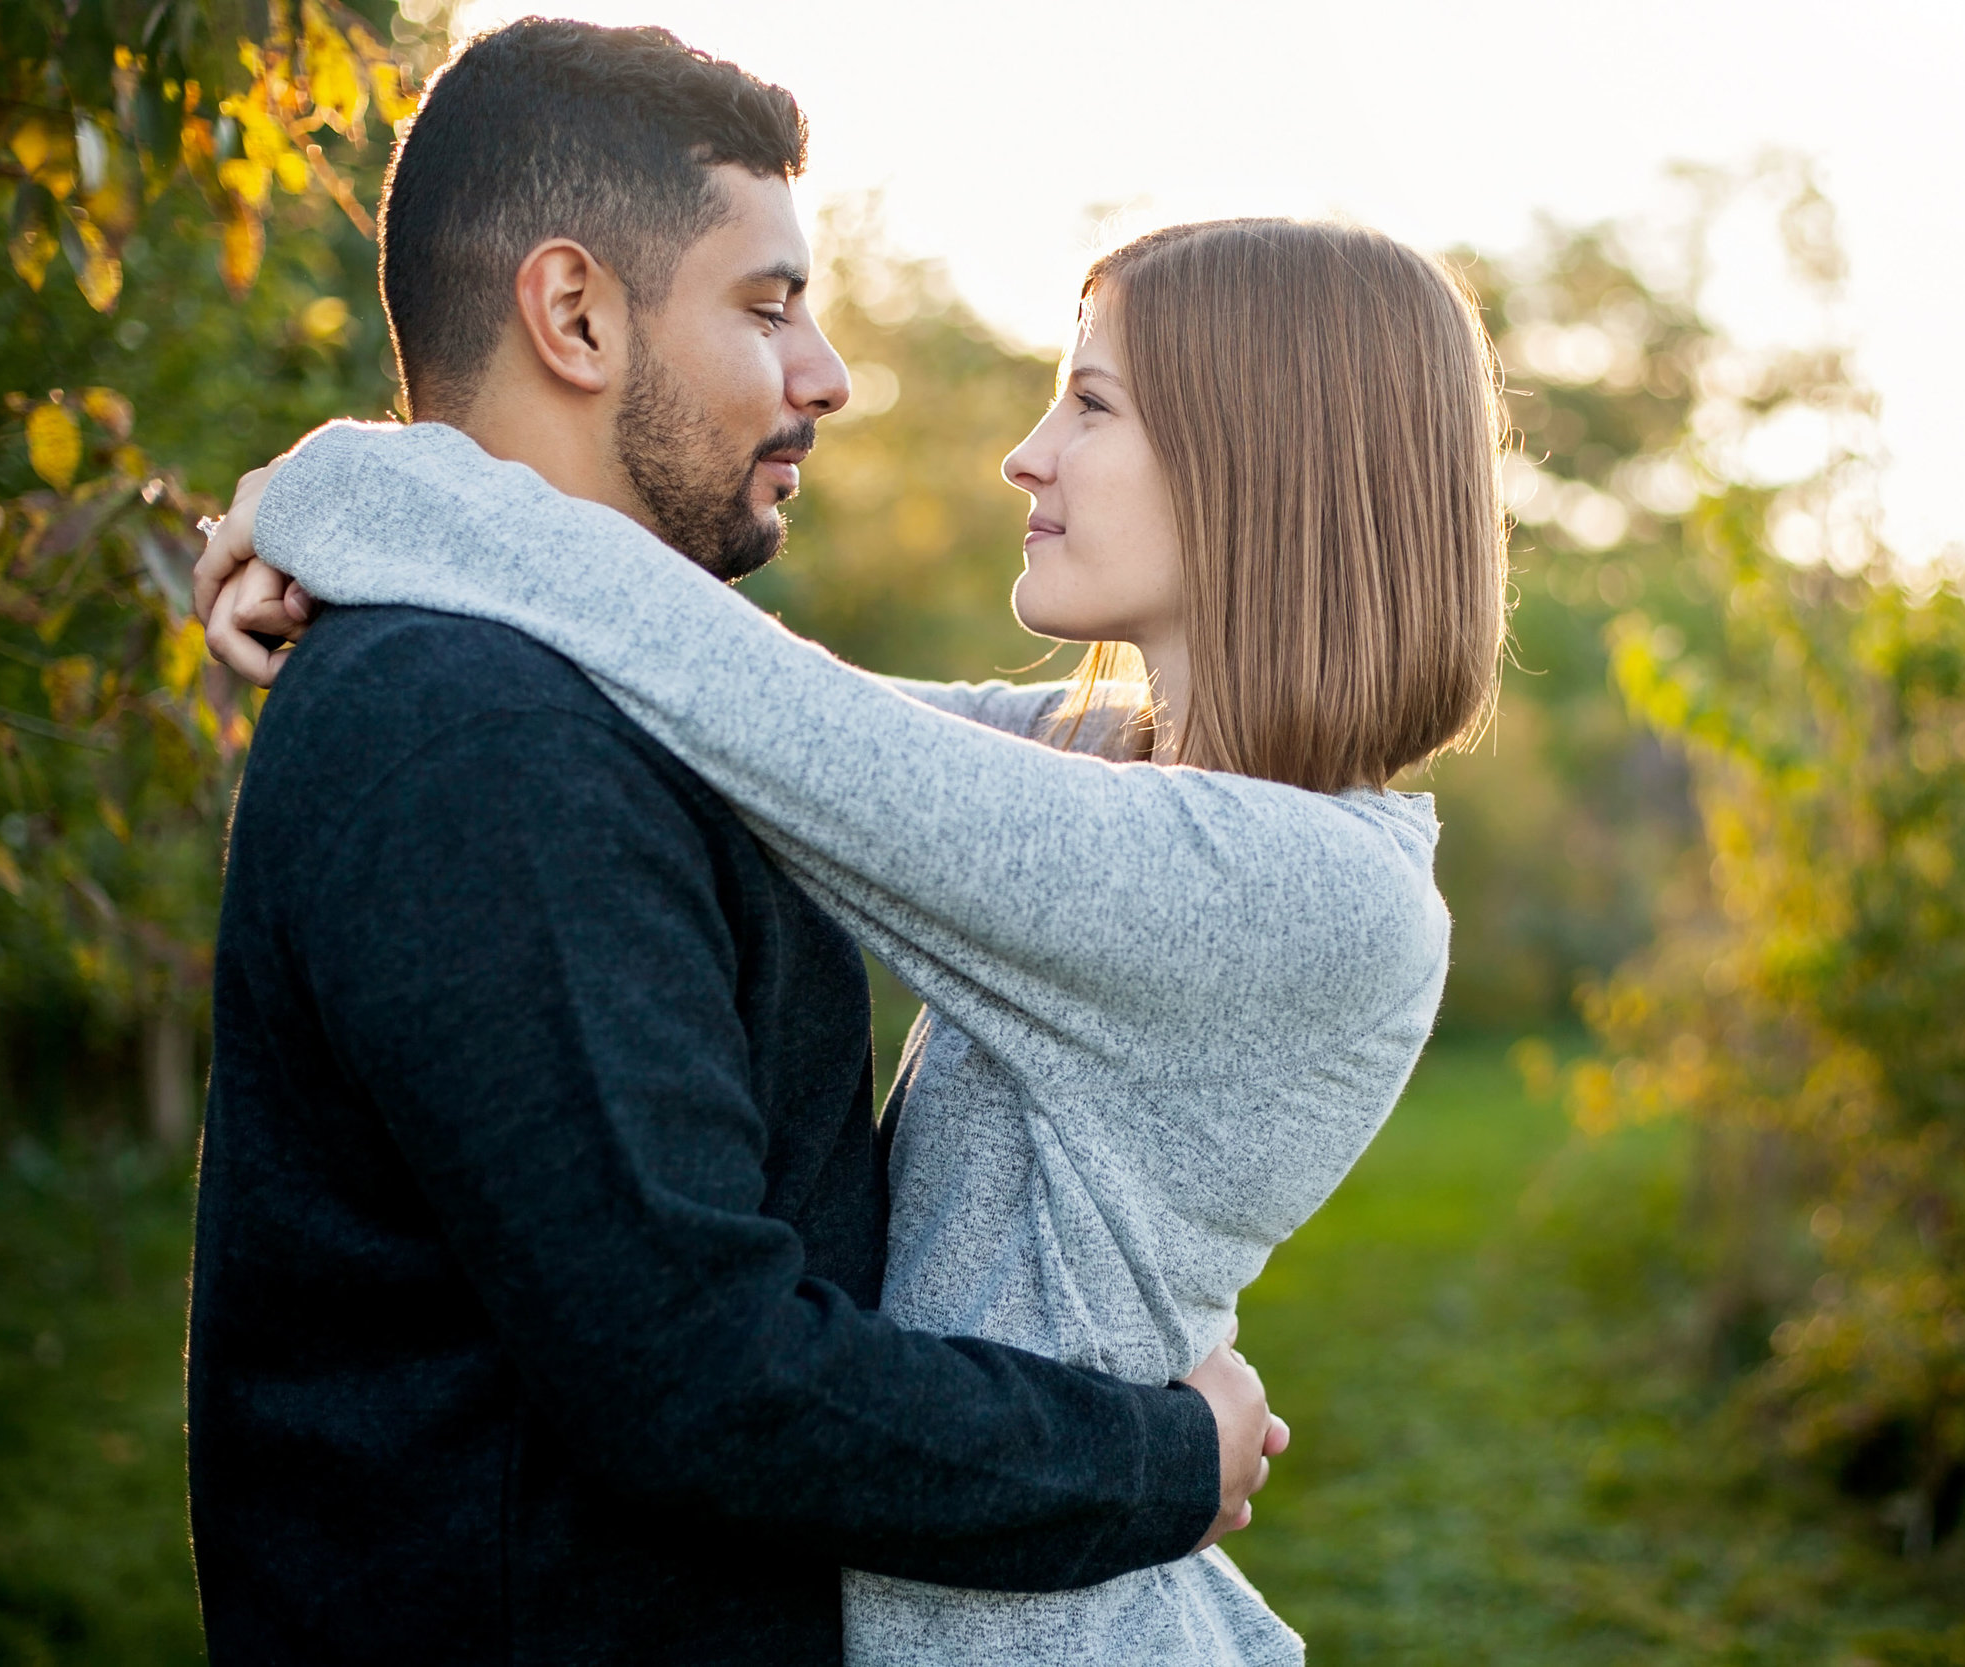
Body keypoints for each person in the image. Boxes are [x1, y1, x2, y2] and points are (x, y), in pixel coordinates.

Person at [204, 193, 1507, 1658]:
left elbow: (755, 708)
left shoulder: (1296, 892)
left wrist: (351, 491)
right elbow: (707, 697)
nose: (1027, 453)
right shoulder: (1122, 772)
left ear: (1262, 466)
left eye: (1089, 404)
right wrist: (377, 531)